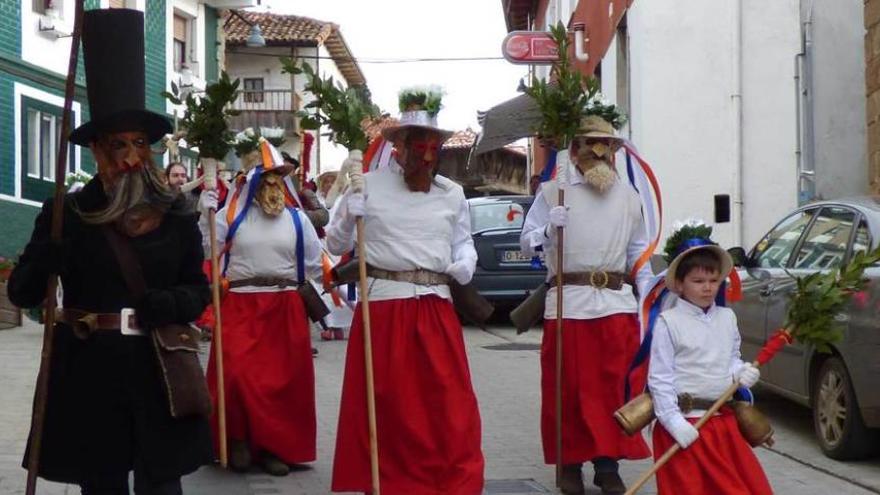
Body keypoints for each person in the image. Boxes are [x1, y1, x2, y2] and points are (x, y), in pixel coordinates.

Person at [8, 9, 212, 494]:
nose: (129, 158)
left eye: (140, 143)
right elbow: (23, 294)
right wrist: (46, 256)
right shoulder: (65, 212)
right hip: (89, 371)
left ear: (152, 150)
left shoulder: (178, 214)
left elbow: (199, 291)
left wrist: (170, 304)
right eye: (116, 145)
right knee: (101, 485)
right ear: (96, 151)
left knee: (161, 485)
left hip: (157, 366)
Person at [327, 88, 485, 494]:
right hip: (384, 308)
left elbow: (463, 242)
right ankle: (388, 483)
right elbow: (333, 243)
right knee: (388, 404)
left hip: (435, 307)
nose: (427, 157)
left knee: (448, 404)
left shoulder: (452, 193)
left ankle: (446, 482)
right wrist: (349, 213)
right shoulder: (368, 186)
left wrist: (466, 263)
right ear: (398, 147)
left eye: (434, 148)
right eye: (419, 147)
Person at [520, 113, 653, 495]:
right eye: (591, 144)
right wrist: (549, 227)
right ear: (575, 149)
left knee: (614, 389)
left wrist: (648, 293)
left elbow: (638, 250)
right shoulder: (552, 194)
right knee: (569, 389)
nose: (600, 152)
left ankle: (608, 464)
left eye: (607, 145)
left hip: (615, 305)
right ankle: (569, 464)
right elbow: (526, 241)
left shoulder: (629, 197)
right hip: (569, 302)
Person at [198, 141, 323, 476]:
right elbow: (209, 250)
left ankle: (272, 447)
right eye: (265, 178)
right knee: (236, 374)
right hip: (240, 303)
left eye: (278, 179)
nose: (272, 186)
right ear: (251, 181)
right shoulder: (231, 215)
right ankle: (236, 439)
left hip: (284, 305)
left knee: (282, 381)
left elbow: (313, 263)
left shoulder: (298, 220)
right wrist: (205, 212)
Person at [648, 226, 771, 495]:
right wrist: (672, 421)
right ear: (680, 284)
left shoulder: (727, 318)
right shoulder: (668, 323)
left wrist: (741, 372)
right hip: (685, 425)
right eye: (698, 281)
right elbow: (659, 378)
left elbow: (730, 359)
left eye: (714, 281)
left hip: (722, 424)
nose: (707, 288)